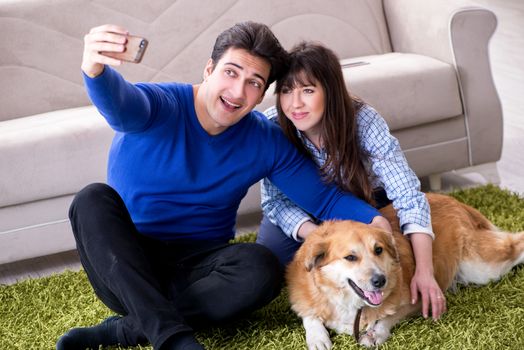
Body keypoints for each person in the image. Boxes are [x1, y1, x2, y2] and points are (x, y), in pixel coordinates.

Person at [56, 23, 391, 350]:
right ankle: (174, 339)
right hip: (126, 266)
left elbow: (323, 197)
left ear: (262, 94)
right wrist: (95, 68)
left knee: (262, 267)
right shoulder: (160, 105)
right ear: (209, 69)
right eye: (230, 73)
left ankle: (126, 329)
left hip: (201, 268)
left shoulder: (264, 139)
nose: (237, 92)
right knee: (91, 199)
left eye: (253, 83)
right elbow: (121, 106)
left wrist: (377, 224)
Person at [256, 41, 447, 321]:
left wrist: (425, 272)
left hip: (362, 202)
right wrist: (321, 240)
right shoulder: (272, 126)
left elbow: (407, 195)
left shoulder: (364, 121)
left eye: (308, 90)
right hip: (299, 211)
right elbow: (273, 202)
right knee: (268, 269)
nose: (295, 104)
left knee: (394, 249)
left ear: (330, 92)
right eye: (286, 91)